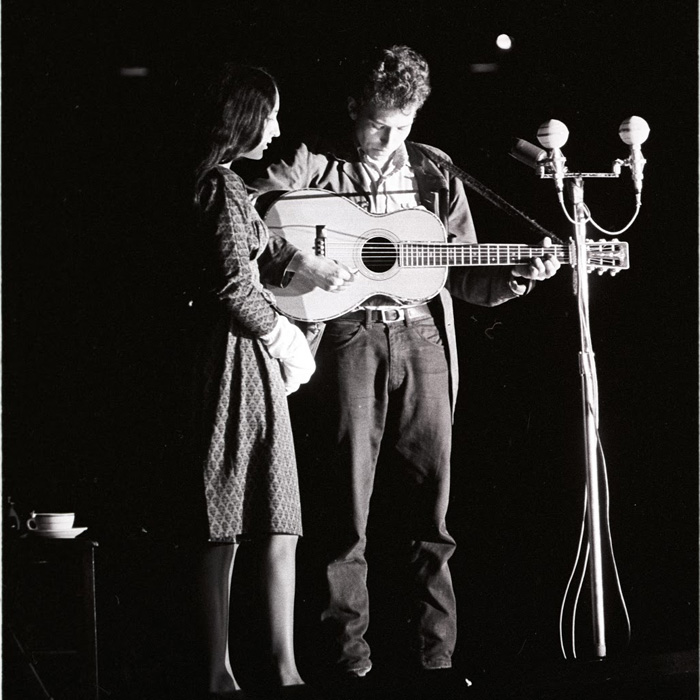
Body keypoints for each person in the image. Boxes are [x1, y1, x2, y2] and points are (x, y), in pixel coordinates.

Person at [251, 45, 560, 688]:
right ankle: (348, 664)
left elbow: (463, 271)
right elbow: (244, 214)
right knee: (345, 511)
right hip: (344, 336)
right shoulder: (309, 156)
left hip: (422, 338)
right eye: (380, 123)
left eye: (406, 123)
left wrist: (519, 277)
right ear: (353, 107)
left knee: (431, 510)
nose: (392, 137)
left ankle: (434, 662)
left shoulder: (434, 170)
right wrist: (291, 262)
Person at [189, 63, 316, 699]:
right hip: (233, 363)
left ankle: (285, 668)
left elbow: (261, 252)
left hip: (253, 362)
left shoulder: (232, 189)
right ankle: (220, 672)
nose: (276, 127)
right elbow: (233, 283)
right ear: (240, 117)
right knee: (226, 513)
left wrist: (310, 270)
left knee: (279, 513)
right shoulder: (217, 186)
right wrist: (286, 337)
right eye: (267, 114)